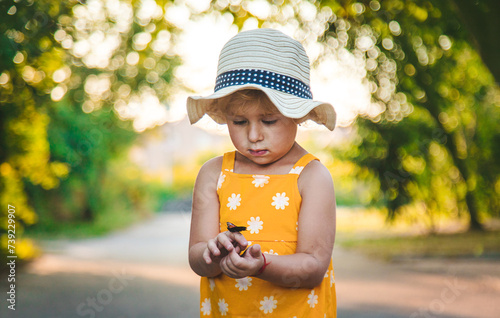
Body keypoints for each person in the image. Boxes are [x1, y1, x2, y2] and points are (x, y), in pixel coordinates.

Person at [186, 28, 337, 317]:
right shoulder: (214, 173)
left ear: (298, 115)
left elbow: (313, 266)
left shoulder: (311, 177)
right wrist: (214, 253)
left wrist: (261, 265)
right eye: (239, 121)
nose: (253, 135)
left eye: (268, 120)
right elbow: (197, 258)